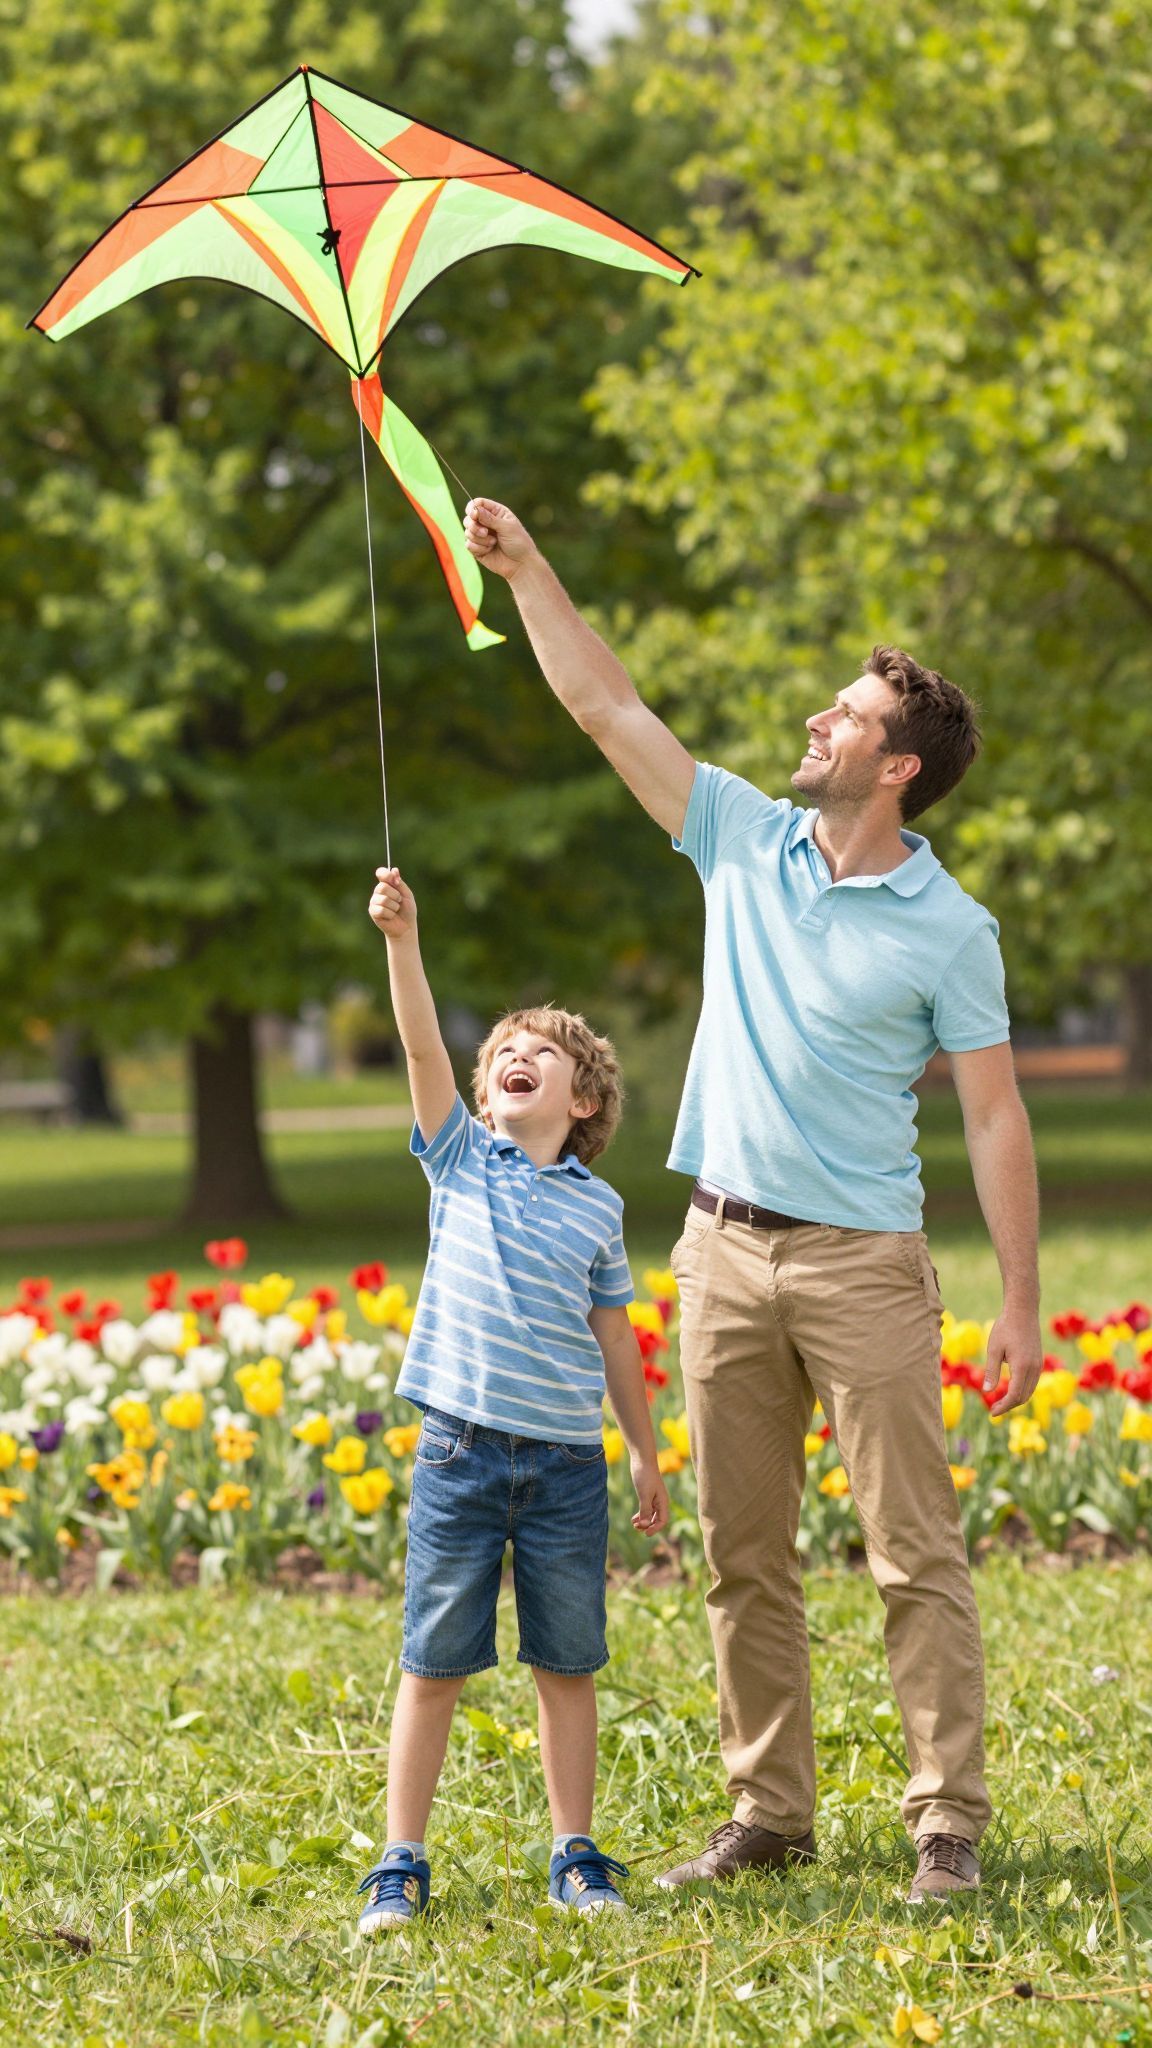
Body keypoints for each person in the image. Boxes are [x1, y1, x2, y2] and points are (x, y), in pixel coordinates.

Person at [461, 497, 1044, 1905]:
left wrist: (1022, 1295)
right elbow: (607, 708)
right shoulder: (742, 839)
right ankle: (769, 1811)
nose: (816, 724)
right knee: (742, 1553)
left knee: (914, 1553)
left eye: (843, 716)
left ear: (895, 765)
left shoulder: (951, 930)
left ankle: (944, 1825)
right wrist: (530, 572)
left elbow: (993, 1110)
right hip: (719, 1247)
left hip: (863, 1265)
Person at [355, 866, 669, 1933]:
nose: (515, 1058)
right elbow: (418, 1048)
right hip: (462, 1453)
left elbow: (614, 1332)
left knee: (567, 1659)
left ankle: (575, 1850)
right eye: (502, 1055)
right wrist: (405, 942)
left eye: (545, 1053)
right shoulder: (462, 1161)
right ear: (483, 1095)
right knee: (433, 1658)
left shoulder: (600, 1208)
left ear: (584, 1101)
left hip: (569, 1467)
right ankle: (401, 1858)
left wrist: (643, 1447)